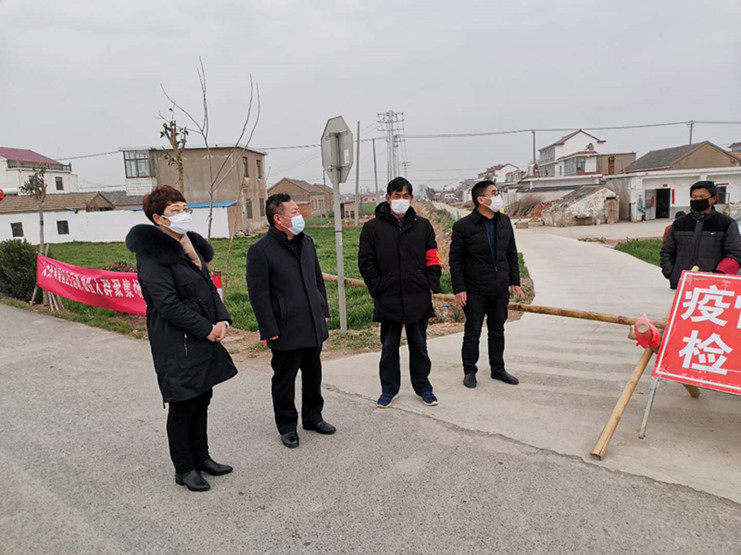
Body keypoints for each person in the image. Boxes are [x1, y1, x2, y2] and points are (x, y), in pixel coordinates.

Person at [126, 185, 237, 492]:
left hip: (202, 334)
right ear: (158, 218)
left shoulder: (189, 246)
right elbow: (167, 304)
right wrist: (206, 329)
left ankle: (202, 458)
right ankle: (184, 468)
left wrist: (222, 319)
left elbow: (208, 287)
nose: (184, 215)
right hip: (177, 340)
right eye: (175, 211)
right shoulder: (152, 254)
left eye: (185, 209)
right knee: (183, 403)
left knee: (202, 397)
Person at [246, 194, 335, 449]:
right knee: (284, 380)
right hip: (285, 327)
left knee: (313, 374)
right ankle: (287, 426)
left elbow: (317, 279)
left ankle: (313, 417)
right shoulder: (260, 251)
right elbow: (258, 294)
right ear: (278, 218)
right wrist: (268, 327)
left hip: (312, 322)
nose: (300, 216)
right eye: (294, 212)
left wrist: (322, 308)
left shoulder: (306, 242)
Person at [358, 177, 442, 408]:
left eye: (406, 196)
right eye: (397, 196)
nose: (401, 200)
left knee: (420, 346)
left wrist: (430, 283)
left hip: (417, 294)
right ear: (388, 198)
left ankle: (423, 387)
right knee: (388, 347)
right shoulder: (372, 228)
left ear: (411, 198)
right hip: (388, 296)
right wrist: (378, 287)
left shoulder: (422, 226)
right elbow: (365, 262)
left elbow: (433, 256)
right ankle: (389, 389)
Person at [449, 180, 525, 389]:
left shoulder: (504, 221)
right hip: (475, 289)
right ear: (481, 199)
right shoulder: (463, 226)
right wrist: (459, 289)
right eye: (494, 193)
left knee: (497, 331)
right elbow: (455, 261)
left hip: (499, 288)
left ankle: (498, 369)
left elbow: (511, 253)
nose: (498, 196)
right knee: (472, 332)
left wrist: (514, 281)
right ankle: (470, 371)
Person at [660, 181, 741, 289]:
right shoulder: (679, 224)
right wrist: (671, 273)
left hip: (712, 288)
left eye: (702, 197)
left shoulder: (726, 224)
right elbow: (666, 251)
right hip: (680, 285)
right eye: (694, 197)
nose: (697, 200)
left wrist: (718, 275)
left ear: (713, 198)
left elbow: (734, 255)